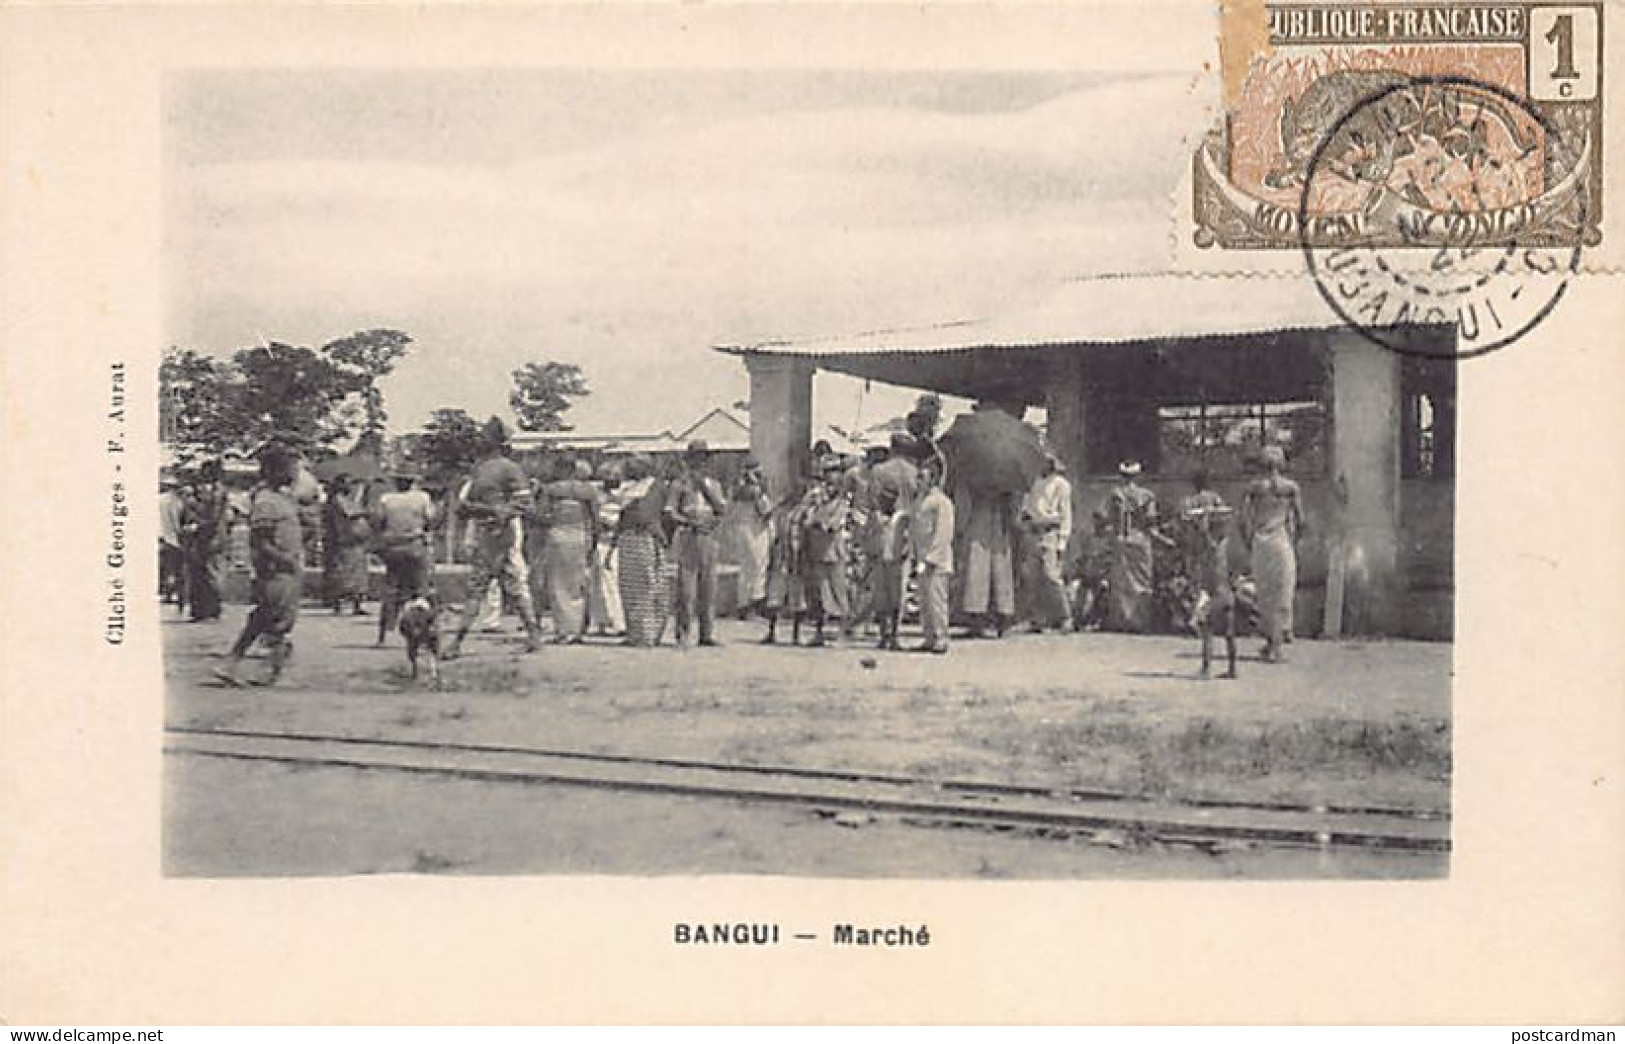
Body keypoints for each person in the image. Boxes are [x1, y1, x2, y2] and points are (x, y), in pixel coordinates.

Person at [444, 420, 544, 658]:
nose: (479, 441)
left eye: (484, 437)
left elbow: (524, 503)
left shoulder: (509, 468)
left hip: (501, 535)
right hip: (483, 533)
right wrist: (470, 510)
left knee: (510, 587)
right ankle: (458, 641)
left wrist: (490, 511)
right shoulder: (480, 468)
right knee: (480, 588)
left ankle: (533, 634)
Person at [214, 446, 304, 687]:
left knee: (264, 619)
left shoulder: (279, 499)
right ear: (275, 472)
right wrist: (285, 560)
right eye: (291, 468)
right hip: (276, 570)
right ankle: (265, 668)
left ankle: (238, 663)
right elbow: (260, 540)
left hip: (284, 569)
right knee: (276, 619)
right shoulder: (266, 501)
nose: (295, 473)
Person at [1241, 445, 1305, 663]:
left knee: (1265, 594)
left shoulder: (1254, 488)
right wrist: (1293, 541)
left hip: (1261, 541)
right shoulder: (1290, 488)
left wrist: (1249, 542)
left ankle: (1271, 643)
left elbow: (1243, 521)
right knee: (1283, 590)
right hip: (1281, 541)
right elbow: (1301, 521)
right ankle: (1277, 645)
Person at [666, 441, 727, 647]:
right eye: (696, 458)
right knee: (686, 588)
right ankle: (683, 632)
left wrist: (711, 522)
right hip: (688, 534)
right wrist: (688, 521)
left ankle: (706, 633)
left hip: (708, 536)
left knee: (708, 587)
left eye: (703, 458)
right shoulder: (680, 484)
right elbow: (671, 511)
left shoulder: (714, 484)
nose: (700, 462)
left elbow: (721, 510)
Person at [1178, 468, 1237, 678]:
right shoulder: (1223, 543)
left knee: (1207, 628)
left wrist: (1201, 530)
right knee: (1229, 632)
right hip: (1226, 590)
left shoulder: (1209, 549)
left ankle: (1206, 668)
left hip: (1213, 590)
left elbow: (1190, 529)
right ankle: (1232, 668)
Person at [372, 466, 439, 646]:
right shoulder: (422, 498)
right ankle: (424, 630)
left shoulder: (386, 499)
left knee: (391, 589)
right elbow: (431, 519)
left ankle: (383, 636)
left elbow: (378, 522)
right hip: (415, 545)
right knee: (421, 588)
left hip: (393, 547)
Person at [538, 458, 601, 644]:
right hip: (581, 536)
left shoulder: (551, 489)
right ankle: (578, 630)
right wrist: (594, 542)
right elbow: (595, 520)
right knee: (579, 583)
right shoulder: (587, 490)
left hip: (558, 535)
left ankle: (564, 630)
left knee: (558, 584)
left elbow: (542, 515)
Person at [867, 434, 919, 649]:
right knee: (900, 586)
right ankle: (895, 634)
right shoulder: (914, 473)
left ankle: (883, 634)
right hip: (905, 529)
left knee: (881, 586)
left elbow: (871, 500)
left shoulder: (878, 471)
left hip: (881, 528)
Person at [613, 455, 670, 647]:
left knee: (648, 585)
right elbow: (622, 517)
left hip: (645, 538)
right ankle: (635, 633)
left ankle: (648, 635)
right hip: (628, 539)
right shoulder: (628, 488)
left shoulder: (655, 486)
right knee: (630, 588)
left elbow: (646, 513)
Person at [800, 457, 852, 647]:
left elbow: (834, 523)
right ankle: (819, 631)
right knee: (819, 592)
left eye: (835, 471)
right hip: (816, 549)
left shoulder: (843, 500)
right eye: (828, 471)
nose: (831, 476)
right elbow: (804, 516)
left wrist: (818, 520)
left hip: (834, 550)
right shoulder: (815, 495)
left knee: (838, 591)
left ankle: (842, 633)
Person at [1102, 460, 1159, 632]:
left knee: (1121, 582)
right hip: (1140, 540)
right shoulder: (1147, 495)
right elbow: (1150, 520)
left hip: (1120, 539)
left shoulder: (1115, 494)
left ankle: (1122, 621)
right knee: (1142, 580)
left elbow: (1106, 518)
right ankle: (1140, 621)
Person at [1021, 453, 1074, 632]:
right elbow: (1027, 506)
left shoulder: (1061, 484)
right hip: (1034, 531)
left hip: (1051, 532)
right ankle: (1038, 618)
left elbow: (1065, 515)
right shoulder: (1034, 482)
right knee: (1033, 577)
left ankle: (1065, 617)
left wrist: (1062, 541)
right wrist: (1025, 519)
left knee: (1052, 576)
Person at [910, 455, 955, 654]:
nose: (919, 481)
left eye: (923, 477)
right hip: (921, 554)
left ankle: (941, 637)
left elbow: (943, 533)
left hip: (937, 559)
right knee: (924, 600)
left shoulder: (942, 502)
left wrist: (932, 558)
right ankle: (928, 636)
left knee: (937, 600)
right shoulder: (922, 500)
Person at [760, 478, 809, 645]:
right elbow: (774, 535)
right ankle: (772, 631)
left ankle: (795, 634)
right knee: (775, 595)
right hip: (782, 555)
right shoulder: (781, 512)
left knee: (797, 596)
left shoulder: (805, 512)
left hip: (798, 556)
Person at [721, 460, 772, 619]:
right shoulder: (751, 490)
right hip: (753, 529)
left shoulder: (737, 489)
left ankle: (745, 603)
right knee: (757, 566)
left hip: (743, 528)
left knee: (748, 567)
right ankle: (752, 604)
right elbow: (765, 510)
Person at [180, 461, 230, 622]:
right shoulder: (211, 490)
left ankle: (210, 609)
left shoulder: (217, 491)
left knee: (208, 574)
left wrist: (197, 525)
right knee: (199, 573)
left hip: (210, 537)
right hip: (204, 538)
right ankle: (201, 610)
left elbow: (213, 517)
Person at [586, 462, 627, 637]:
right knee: (596, 583)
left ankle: (616, 621)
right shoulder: (597, 495)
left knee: (611, 582)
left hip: (614, 543)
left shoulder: (622, 495)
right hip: (600, 541)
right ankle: (599, 621)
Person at [321, 474, 371, 615]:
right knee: (344, 573)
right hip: (344, 541)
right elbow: (353, 513)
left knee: (355, 573)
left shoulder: (342, 500)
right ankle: (341, 603)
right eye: (348, 483)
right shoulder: (338, 500)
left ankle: (355, 603)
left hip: (351, 541)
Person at [158, 478, 188, 611]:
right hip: (172, 539)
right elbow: (175, 522)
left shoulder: (158, 499)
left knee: (164, 566)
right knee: (176, 569)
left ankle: (166, 592)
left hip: (160, 536)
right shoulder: (175, 501)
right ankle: (176, 595)